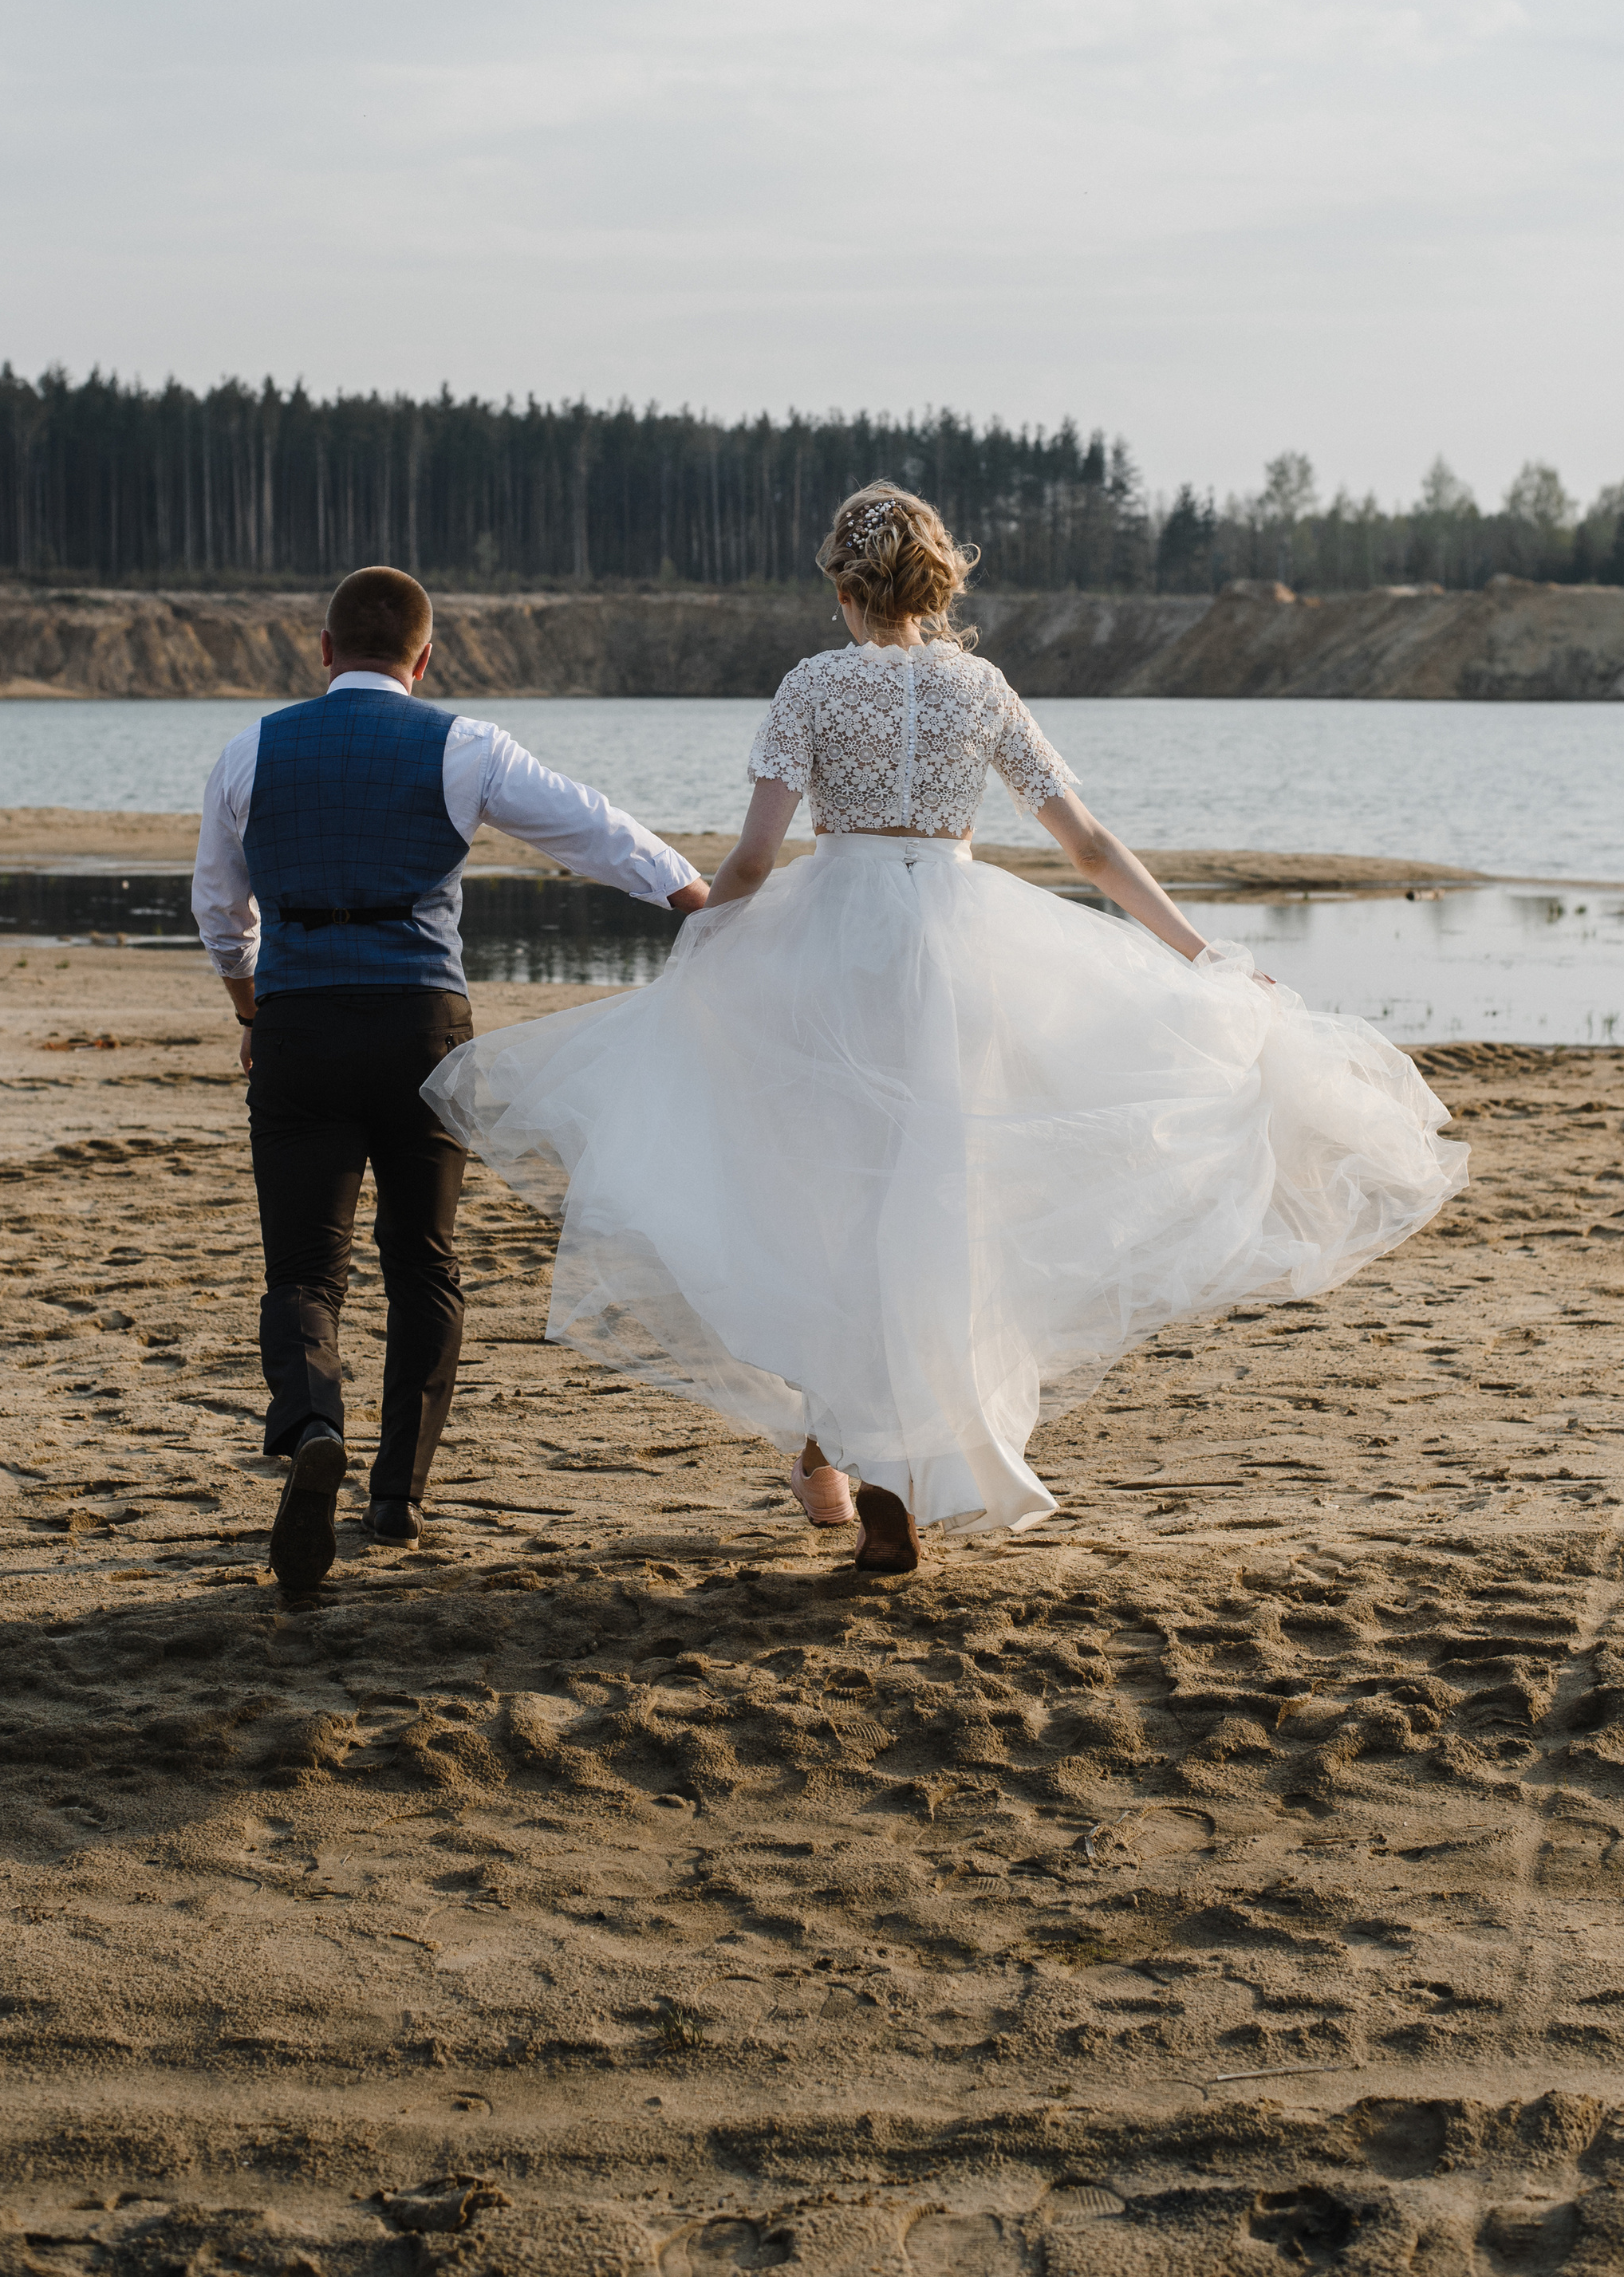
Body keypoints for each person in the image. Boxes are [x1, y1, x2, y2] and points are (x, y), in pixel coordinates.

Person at [424, 483, 1467, 1574]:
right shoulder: (982, 689)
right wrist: (1198, 953)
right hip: (966, 956)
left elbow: (750, 857)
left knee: (833, 1199)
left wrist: (706, 945)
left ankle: (862, 1468)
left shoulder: (812, 687)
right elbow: (1091, 847)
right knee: (938, 1201)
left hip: (839, 951)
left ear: (841, 586)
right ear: (934, 587)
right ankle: (867, 1460)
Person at [191, 564, 708, 1593]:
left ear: (325, 651)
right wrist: (689, 893)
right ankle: (398, 1495)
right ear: (424, 661)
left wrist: (253, 1009)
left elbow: (219, 902)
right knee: (422, 1260)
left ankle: (309, 1431)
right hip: (421, 1029)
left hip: (298, 1026)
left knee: (303, 1271)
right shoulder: (461, 745)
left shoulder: (252, 748)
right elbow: (587, 826)